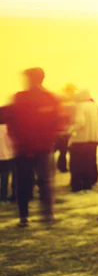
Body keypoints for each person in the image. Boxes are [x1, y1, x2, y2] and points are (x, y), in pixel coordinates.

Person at [7, 68, 60, 227]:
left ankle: (25, 216)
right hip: (41, 147)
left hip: (25, 148)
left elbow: (10, 119)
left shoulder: (21, 97)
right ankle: (47, 215)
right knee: (44, 182)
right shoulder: (50, 98)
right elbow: (56, 123)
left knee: (24, 182)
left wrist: (16, 138)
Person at [69, 89, 98, 193]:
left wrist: (70, 129)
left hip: (80, 140)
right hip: (93, 139)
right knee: (89, 163)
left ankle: (77, 186)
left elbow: (80, 122)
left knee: (77, 164)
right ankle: (88, 184)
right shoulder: (93, 106)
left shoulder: (80, 106)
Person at [55, 83, 77, 173]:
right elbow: (71, 119)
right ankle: (62, 167)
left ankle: (60, 166)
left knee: (60, 150)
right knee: (64, 150)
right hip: (66, 131)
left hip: (59, 131)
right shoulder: (71, 105)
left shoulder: (60, 104)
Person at [0, 107, 16, 204]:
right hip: (8, 156)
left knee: (3, 178)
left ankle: (3, 197)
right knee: (7, 177)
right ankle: (6, 197)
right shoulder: (9, 128)